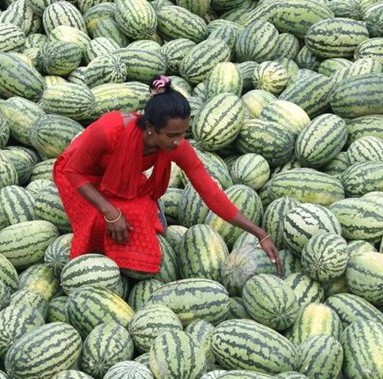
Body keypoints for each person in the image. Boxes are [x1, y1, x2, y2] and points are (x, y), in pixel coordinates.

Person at [52, 75, 283, 276]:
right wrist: (109, 211)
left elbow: (211, 194)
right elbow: (74, 171)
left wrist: (260, 233)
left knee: (135, 216)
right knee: (100, 219)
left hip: (122, 180)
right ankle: (97, 263)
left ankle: (144, 220)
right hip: (76, 175)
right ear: (151, 127)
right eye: (172, 135)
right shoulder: (109, 129)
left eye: (183, 134)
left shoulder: (175, 144)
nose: (179, 142)